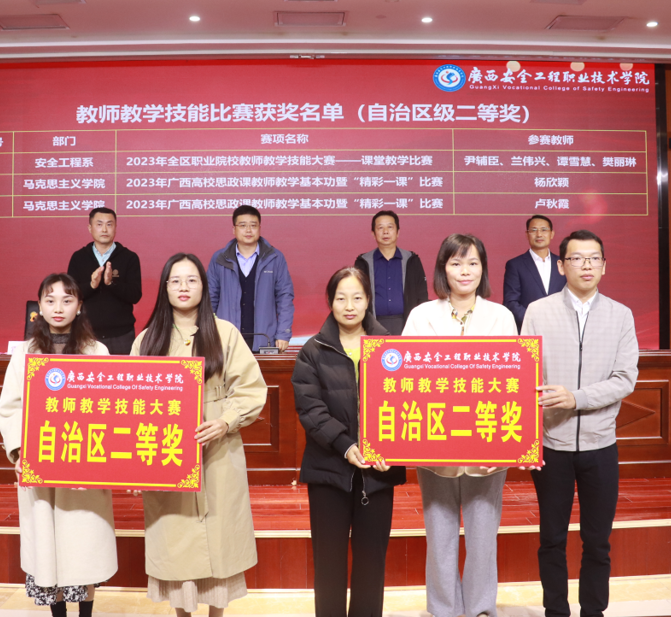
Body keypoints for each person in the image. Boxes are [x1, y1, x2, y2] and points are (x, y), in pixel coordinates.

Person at [131, 253, 267, 617]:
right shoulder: (146, 341)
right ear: (165, 288)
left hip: (218, 453)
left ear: (203, 287)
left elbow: (251, 390)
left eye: (192, 280)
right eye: (175, 281)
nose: (184, 287)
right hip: (166, 458)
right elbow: (131, 407)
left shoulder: (225, 333)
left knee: (219, 546)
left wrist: (225, 421)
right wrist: (134, 468)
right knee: (178, 548)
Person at [522, 230, 638, 617]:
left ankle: (593, 611)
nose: (586, 265)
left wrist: (577, 397)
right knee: (551, 538)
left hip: (600, 445)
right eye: (576, 258)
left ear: (604, 266)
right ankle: (556, 611)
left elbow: (625, 379)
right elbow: (524, 377)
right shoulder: (538, 311)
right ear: (561, 266)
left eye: (593, 258)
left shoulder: (621, 315)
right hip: (551, 445)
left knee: (597, 541)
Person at [402, 233, 518, 617]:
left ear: (483, 269)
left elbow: (513, 381)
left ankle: (481, 608)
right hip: (435, 443)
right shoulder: (421, 316)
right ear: (443, 269)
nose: (464, 271)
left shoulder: (500, 316)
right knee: (439, 535)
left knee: (483, 536)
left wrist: (505, 444)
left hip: (487, 442)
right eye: (456, 263)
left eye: (472, 263)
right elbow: (404, 379)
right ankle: (444, 609)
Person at [0, 273, 116, 617]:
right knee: (47, 546)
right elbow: (10, 407)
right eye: (50, 300)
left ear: (79, 306)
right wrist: (19, 452)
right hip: (41, 463)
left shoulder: (97, 352)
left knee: (84, 544)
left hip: (85, 465)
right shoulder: (25, 354)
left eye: (67, 300)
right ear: (39, 306)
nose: (58, 308)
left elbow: (112, 409)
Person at [291, 267, 407, 617]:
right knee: (329, 565)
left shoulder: (393, 348)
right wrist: (344, 444)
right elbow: (310, 409)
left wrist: (394, 447)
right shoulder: (313, 350)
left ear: (368, 300)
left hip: (378, 473)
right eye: (341, 298)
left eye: (357, 297)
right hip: (328, 471)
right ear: (330, 302)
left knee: (371, 564)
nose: (349, 306)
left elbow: (407, 404)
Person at [207, 205, 295, 352]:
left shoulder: (275, 258)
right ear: (234, 229)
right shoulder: (219, 259)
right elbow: (210, 299)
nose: (248, 230)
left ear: (259, 228)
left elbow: (284, 297)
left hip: (264, 339)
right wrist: (209, 333)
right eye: (242, 225)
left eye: (253, 225)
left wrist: (283, 334)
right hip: (226, 340)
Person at [67, 207, 142, 354]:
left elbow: (135, 295)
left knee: (121, 369)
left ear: (115, 228)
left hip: (121, 335)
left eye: (109, 224)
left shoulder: (129, 257)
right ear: (90, 228)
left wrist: (111, 284)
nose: (104, 229)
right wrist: (91, 285)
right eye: (99, 224)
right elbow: (70, 295)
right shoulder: (79, 257)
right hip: (85, 333)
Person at [353, 210, 429, 335]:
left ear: (398, 232)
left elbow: (422, 296)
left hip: (407, 325)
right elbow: (356, 296)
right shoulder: (363, 262)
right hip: (373, 326)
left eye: (390, 227)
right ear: (373, 233)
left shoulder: (411, 260)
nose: (385, 232)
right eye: (380, 228)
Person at [503, 214, 566, 332]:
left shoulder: (563, 263)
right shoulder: (515, 265)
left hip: (561, 330)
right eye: (533, 230)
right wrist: (534, 321)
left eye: (544, 230)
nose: (539, 234)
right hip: (529, 331)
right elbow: (511, 302)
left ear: (552, 234)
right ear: (527, 234)